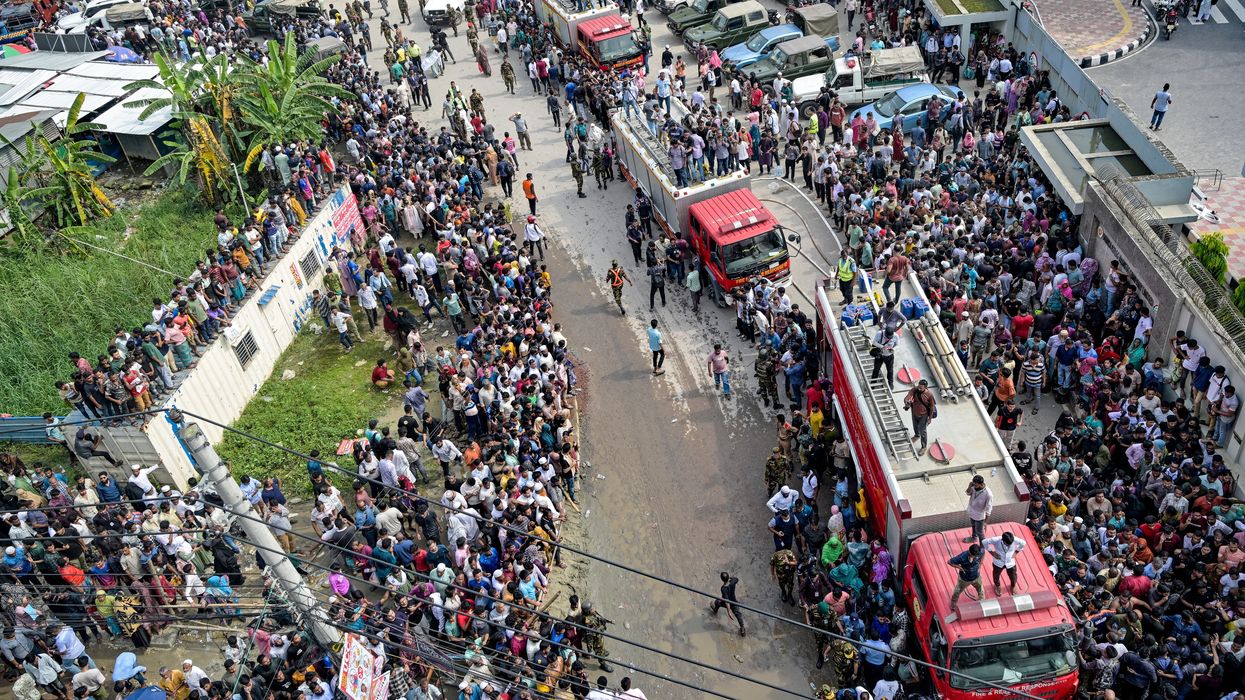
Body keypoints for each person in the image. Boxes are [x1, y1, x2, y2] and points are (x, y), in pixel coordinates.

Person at [980, 530, 1025, 596]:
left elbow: (1023, 543)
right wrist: (991, 552)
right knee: (996, 575)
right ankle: (997, 585)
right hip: (998, 562)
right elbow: (984, 542)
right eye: (1007, 544)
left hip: (1010, 562)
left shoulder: (1015, 539)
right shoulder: (996, 540)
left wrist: (1016, 552)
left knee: (1013, 575)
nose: (1009, 545)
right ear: (1003, 540)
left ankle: (1013, 585)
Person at [947, 543, 983, 614]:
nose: (976, 557)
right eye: (975, 556)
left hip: (976, 577)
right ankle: (953, 604)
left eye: (977, 556)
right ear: (970, 553)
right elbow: (949, 562)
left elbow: (982, 557)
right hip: (964, 579)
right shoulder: (962, 557)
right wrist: (959, 567)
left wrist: (980, 564)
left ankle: (982, 603)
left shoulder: (980, 553)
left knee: (981, 590)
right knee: (957, 591)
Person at [903, 379, 936, 455]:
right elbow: (908, 396)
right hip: (914, 412)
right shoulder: (914, 390)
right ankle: (917, 435)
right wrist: (906, 401)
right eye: (919, 386)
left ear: (925, 387)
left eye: (921, 387)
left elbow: (931, 407)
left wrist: (930, 418)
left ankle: (924, 447)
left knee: (923, 431)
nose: (919, 388)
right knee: (915, 426)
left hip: (923, 415)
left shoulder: (929, 395)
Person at [707, 571, 745, 636]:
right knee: (738, 615)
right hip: (734, 602)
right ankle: (742, 628)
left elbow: (727, 601)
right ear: (728, 578)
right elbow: (736, 579)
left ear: (722, 580)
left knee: (717, 602)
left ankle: (715, 610)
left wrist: (729, 612)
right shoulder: (733, 582)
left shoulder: (723, 589)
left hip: (728, 603)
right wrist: (730, 578)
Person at [964, 474, 992, 543]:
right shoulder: (973, 487)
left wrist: (985, 522)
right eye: (974, 484)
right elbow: (968, 493)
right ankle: (974, 538)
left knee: (980, 532)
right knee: (973, 526)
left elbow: (989, 508)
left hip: (980, 516)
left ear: (981, 484)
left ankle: (982, 547)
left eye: (976, 485)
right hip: (971, 512)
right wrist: (970, 486)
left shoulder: (988, 494)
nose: (974, 487)